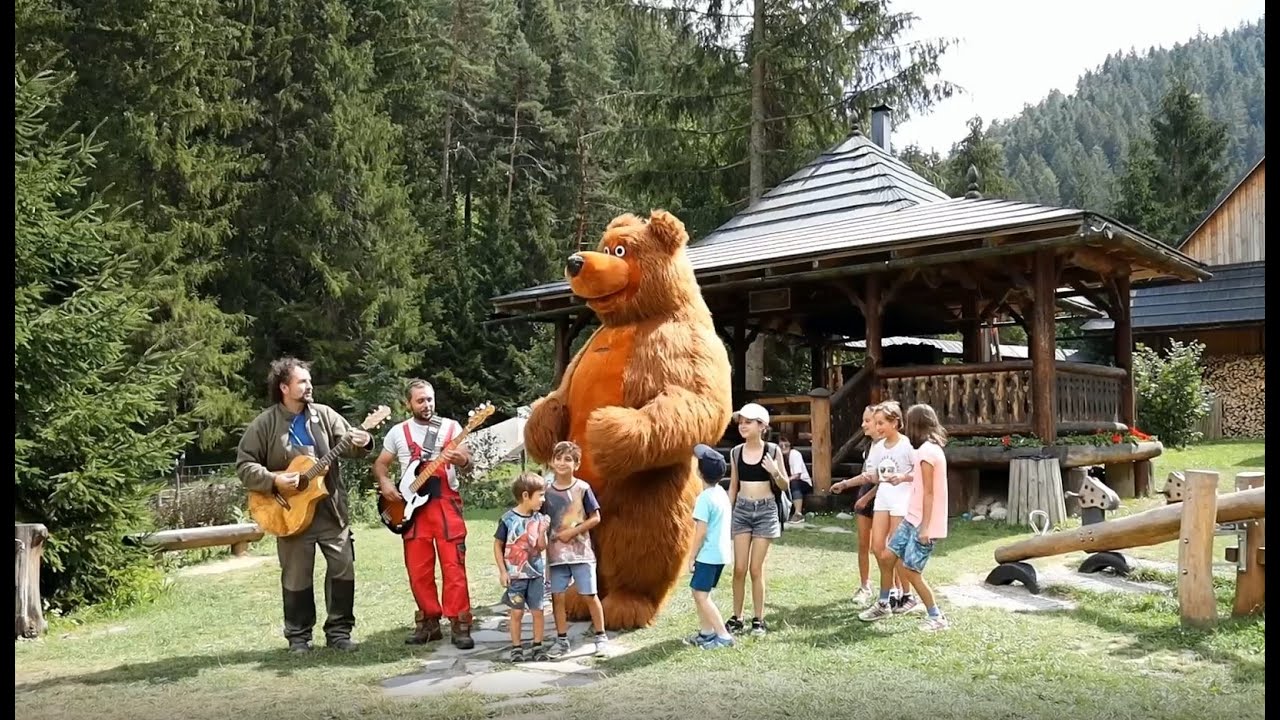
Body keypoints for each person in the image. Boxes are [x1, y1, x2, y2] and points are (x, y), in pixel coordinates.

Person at [236, 357, 374, 653]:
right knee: (297, 576)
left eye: (309, 381)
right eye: (302, 381)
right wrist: (274, 480)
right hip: (288, 513)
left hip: (330, 510)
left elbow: (348, 446)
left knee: (342, 569)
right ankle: (299, 637)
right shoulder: (265, 423)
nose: (309, 386)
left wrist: (362, 441)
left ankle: (339, 633)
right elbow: (245, 465)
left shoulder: (325, 415)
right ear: (284, 387)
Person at [372, 379, 476, 649]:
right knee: (418, 570)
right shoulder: (397, 432)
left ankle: (460, 622)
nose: (427, 405)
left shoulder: (452, 428)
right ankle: (429, 622)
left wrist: (461, 460)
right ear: (409, 403)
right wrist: (385, 484)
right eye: (420, 400)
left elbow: (468, 462)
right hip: (412, 509)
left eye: (430, 399)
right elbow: (381, 465)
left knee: (453, 566)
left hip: (446, 504)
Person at [725, 402, 790, 637]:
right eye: (741, 422)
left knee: (755, 568)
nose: (742, 426)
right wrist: (727, 513)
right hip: (742, 510)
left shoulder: (772, 451)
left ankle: (759, 620)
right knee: (739, 568)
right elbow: (733, 486)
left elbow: (785, 485)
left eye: (748, 422)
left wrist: (774, 470)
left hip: (766, 511)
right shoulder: (735, 452)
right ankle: (737, 617)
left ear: (762, 426)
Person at [541, 441, 610, 658]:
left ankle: (601, 637)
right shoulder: (545, 491)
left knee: (590, 595)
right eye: (558, 458)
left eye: (568, 459)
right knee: (557, 597)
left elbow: (596, 517)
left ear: (576, 464)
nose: (562, 463)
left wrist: (573, 532)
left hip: (581, 553)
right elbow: (539, 518)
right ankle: (561, 640)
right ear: (552, 462)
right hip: (555, 555)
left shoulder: (582, 488)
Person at [887, 403, 951, 631]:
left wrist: (925, 528)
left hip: (923, 523)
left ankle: (937, 617)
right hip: (912, 518)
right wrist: (902, 477)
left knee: (912, 572)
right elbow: (919, 479)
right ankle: (885, 601)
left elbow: (930, 493)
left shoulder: (926, 452)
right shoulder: (928, 449)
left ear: (916, 424)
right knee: (889, 554)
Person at [494, 472, 551, 662]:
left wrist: (542, 532)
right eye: (540, 495)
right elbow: (497, 545)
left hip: (535, 575)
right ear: (526, 495)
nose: (543, 499)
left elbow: (541, 547)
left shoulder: (540, 519)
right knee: (516, 612)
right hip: (516, 576)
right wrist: (503, 571)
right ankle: (516, 648)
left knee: (538, 611)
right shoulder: (507, 519)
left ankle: (537, 646)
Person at [684, 444, 735, 650]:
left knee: (700, 595)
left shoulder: (704, 498)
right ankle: (706, 633)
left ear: (699, 472)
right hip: (721, 554)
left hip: (708, 555)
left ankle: (722, 636)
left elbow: (701, 531)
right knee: (701, 592)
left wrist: (691, 556)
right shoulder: (721, 493)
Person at [832, 404, 880, 604]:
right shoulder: (869, 446)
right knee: (863, 544)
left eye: (867, 421)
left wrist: (867, 497)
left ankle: (893, 589)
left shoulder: (891, 446)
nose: (863, 425)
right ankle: (865, 585)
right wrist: (844, 484)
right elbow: (865, 474)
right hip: (865, 490)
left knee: (883, 547)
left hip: (882, 495)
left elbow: (883, 478)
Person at [779, 436, 812, 523]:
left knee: (794, 483)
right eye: (780, 444)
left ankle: (798, 514)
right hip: (788, 483)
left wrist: (784, 481)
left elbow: (797, 475)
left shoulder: (794, 454)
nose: (783, 446)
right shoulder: (778, 457)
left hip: (803, 483)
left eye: (786, 444)